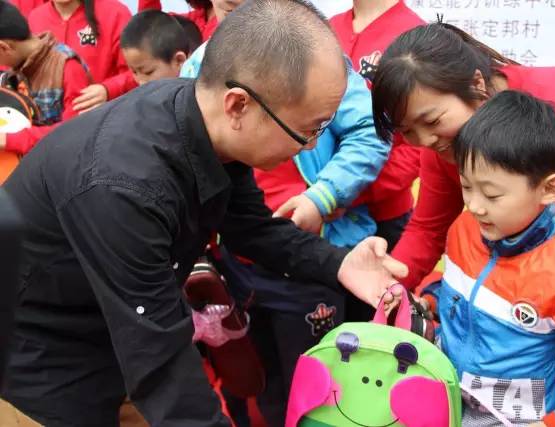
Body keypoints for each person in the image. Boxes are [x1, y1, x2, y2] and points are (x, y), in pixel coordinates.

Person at [0, 1, 407, 426]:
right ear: (238, 105)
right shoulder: (125, 185)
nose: (311, 146)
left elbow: (252, 229)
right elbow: (160, 359)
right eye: (307, 130)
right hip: (42, 353)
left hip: (114, 333)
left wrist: (340, 264)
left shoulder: (204, 124)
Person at [371, 23, 555, 372]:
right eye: (407, 131)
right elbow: (428, 230)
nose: (425, 141)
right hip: (537, 312)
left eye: (432, 121)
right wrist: (387, 284)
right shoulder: (445, 144)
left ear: (477, 84)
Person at [427, 89, 555, 426]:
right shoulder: (464, 229)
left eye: (492, 194)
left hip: (521, 418)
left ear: (549, 189)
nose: (475, 206)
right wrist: (426, 302)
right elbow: (457, 289)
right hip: (448, 398)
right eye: (466, 187)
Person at [329, 0, 425, 251]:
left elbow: (420, 146)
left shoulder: (416, 35)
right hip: (316, 202)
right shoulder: (325, 28)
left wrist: (348, 190)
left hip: (383, 212)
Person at [0, 1, 90, 154]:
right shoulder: (14, 68)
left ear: (3, 47)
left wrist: (9, 140)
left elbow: (75, 131)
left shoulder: (68, 67)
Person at [28, 0, 136, 113]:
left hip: (104, 114)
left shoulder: (114, 13)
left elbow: (139, 71)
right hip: (49, 119)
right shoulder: (35, 18)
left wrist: (108, 89)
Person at [121, 10, 191, 86]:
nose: (141, 83)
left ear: (179, 60)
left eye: (148, 72)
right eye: (134, 72)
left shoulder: (198, 90)